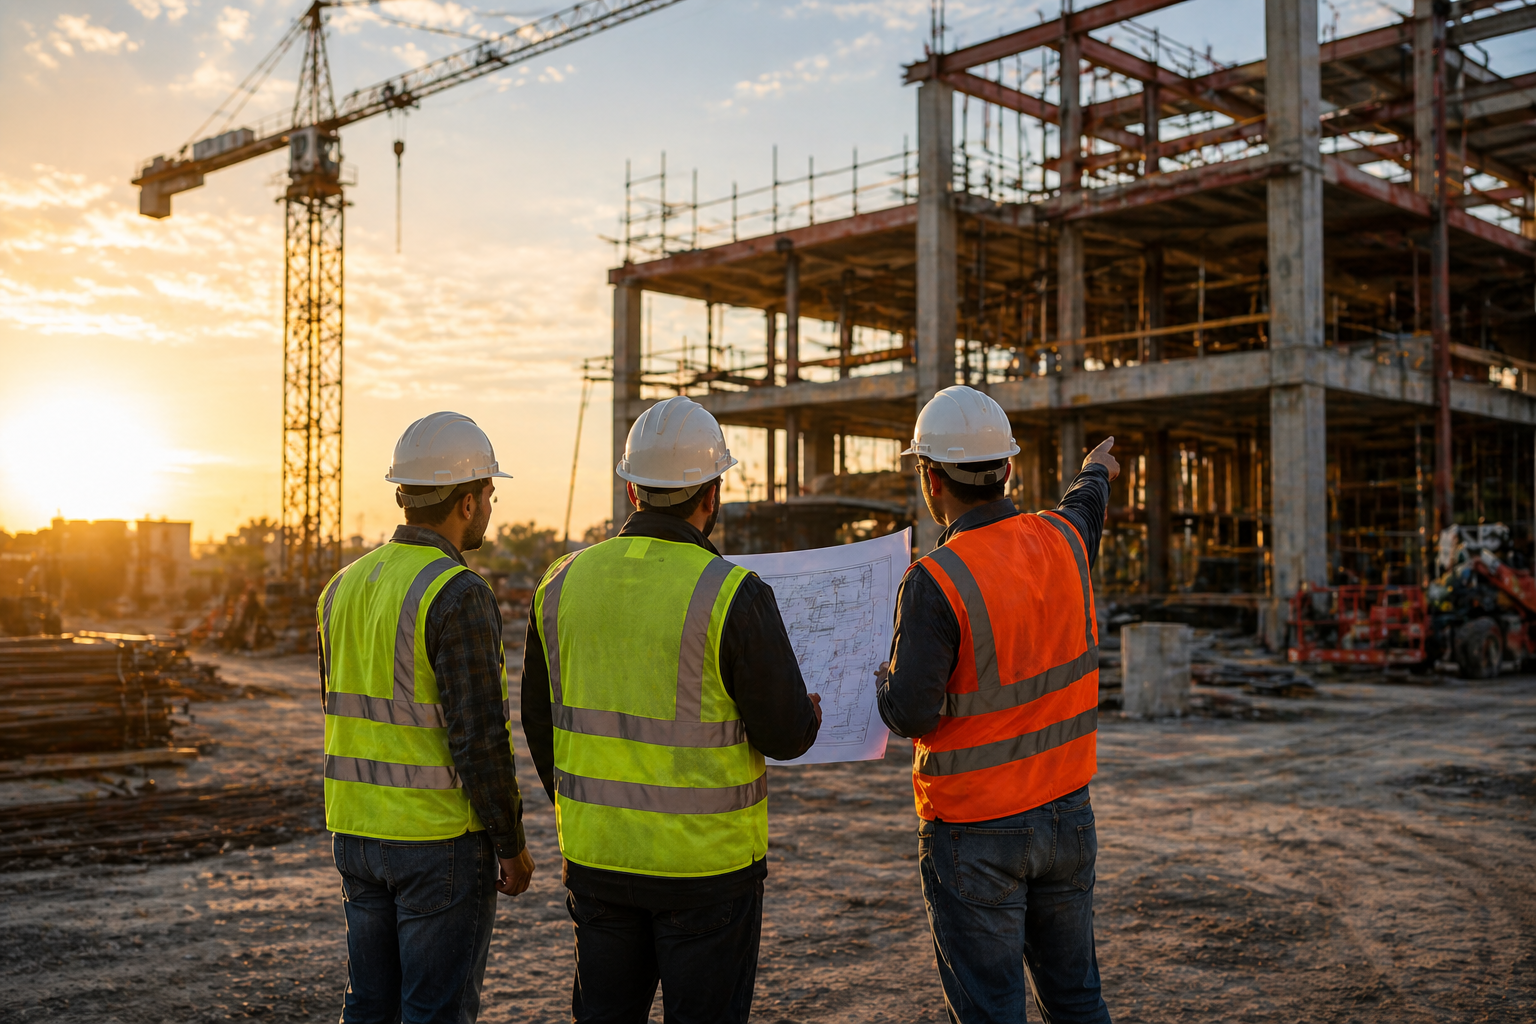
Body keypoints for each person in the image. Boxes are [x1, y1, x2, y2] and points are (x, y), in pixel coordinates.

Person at [520, 396, 821, 1024]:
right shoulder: (731, 592)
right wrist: (808, 714)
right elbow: (786, 735)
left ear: (632, 490)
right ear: (712, 494)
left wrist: (586, 809)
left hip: (598, 860)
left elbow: (538, 720)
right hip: (707, 871)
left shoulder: (560, 583)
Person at [877, 386, 1118, 1024]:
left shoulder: (935, 579)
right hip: (1067, 814)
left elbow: (911, 713)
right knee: (1077, 1000)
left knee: (992, 1013)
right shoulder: (1064, 541)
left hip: (976, 830)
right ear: (1008, 469)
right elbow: (1085, 505)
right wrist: (1096, 470)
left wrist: (881, 681)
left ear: (931, 478)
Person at [316, 411, 536, 1024]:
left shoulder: (341, 587)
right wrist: (510, 844)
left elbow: (336, 705)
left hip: (356, 832)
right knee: (434, 1013)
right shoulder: (458, 592)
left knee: (370, 1009)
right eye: (489, 494)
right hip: (437, 844)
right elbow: (480, 739)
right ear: (467, 502)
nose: (490, 507)